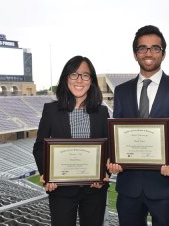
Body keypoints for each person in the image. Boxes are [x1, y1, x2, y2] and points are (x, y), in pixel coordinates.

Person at [109, 25, 169, 226]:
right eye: (142, 48)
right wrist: (113, 158)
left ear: (163, 54)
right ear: (135, 54)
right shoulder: (121, 91)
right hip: (129, 186)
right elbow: (117, 134)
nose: (148, 53)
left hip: (165, 184)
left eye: (155, 48)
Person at [33, 55, 109, 226]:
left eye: (85, 75)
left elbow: (108, 149)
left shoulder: (102, 112)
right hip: (61, 191)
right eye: (73, 74)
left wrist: (105, 173)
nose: (79, 80)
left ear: (92, 80)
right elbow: (39, 147)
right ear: (66, 78)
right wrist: (47, 174)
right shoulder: (51, 110)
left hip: (94, 191)